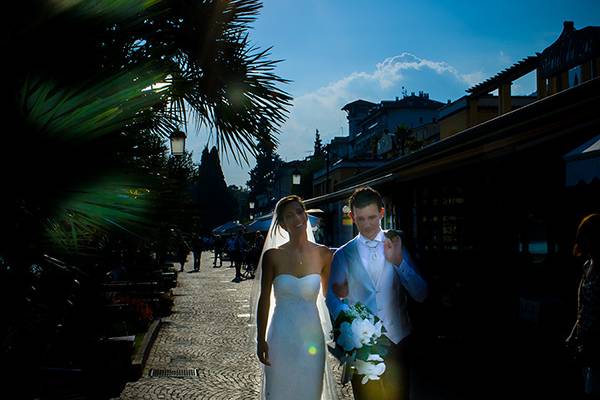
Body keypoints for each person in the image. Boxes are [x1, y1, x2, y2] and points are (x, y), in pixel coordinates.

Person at [326, 186, 428, 400]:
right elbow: (333, 300)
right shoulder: (343, 254)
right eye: (360, 219)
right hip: (361, 348)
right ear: (352, 216)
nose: (367, 225)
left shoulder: (397, 246)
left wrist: (399, 262)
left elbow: (421, 293)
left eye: (372, 217)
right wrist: (351, 328)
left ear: (382, 213)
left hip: (398, 342)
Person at [254, 195, 338, 399]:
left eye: (300, 212)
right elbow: (264, 299)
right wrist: (260, 339)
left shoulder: (324, 254)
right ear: (282, 224)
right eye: (289, 216)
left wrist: (344, 329)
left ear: (306, 215)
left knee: (310, 391)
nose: (297, 218)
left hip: (312, 337)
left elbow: (330, 299)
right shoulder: (272, 256)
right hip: (281, 336)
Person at [566, 213, 600, 398]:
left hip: (594, 345)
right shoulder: (587, 266)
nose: (582, 242)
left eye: (585, 236)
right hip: (585, 343)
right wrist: (574, 334)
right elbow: (584, 307)